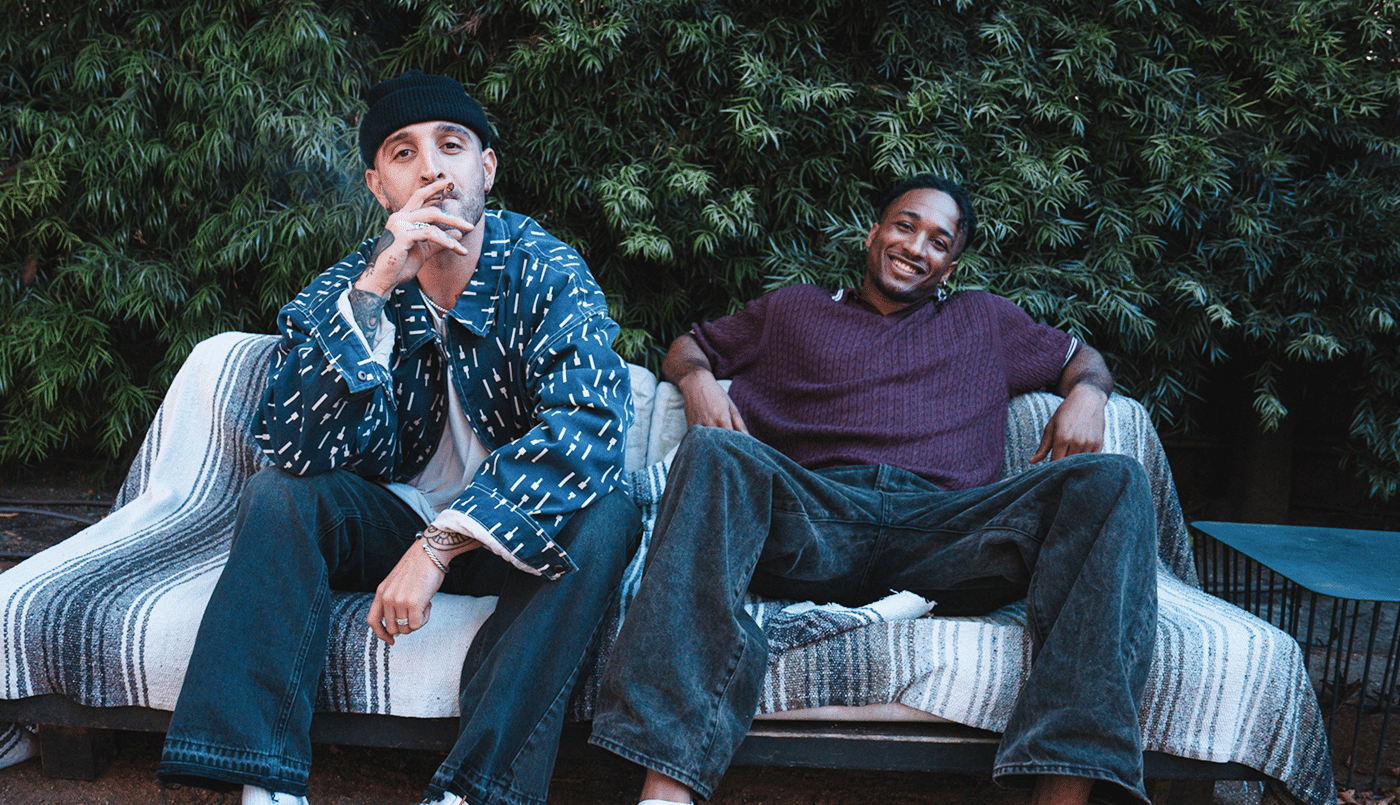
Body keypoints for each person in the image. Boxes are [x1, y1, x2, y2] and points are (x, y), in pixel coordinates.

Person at [589, 175, 1159, 805]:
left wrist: (1087, 393)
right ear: (874, 231)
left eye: (939, 241)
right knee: (714, 450)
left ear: (951, 265)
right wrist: (698, 382)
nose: (917, 246)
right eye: (906, 225)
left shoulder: (987, 320)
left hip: (947, 532)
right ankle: (664, 792)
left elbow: (1085, 359)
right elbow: (688, 347)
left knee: (1115, 479)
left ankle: (1063, 792)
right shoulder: (792, 310)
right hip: (815, 522)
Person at [157, 71, 641, 805]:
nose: (432, 168)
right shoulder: (355, 284)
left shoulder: (544, 269)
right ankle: (264, 784)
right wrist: (379, 286)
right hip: (396, 520)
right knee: (279, 494)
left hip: (512, 536)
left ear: (486, 167)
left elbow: (591, 428)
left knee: (609, 510)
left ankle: (473, 792)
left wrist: (441, 544)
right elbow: (292, 448)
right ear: (379, 186)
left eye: (451, 146)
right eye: (403, 153)